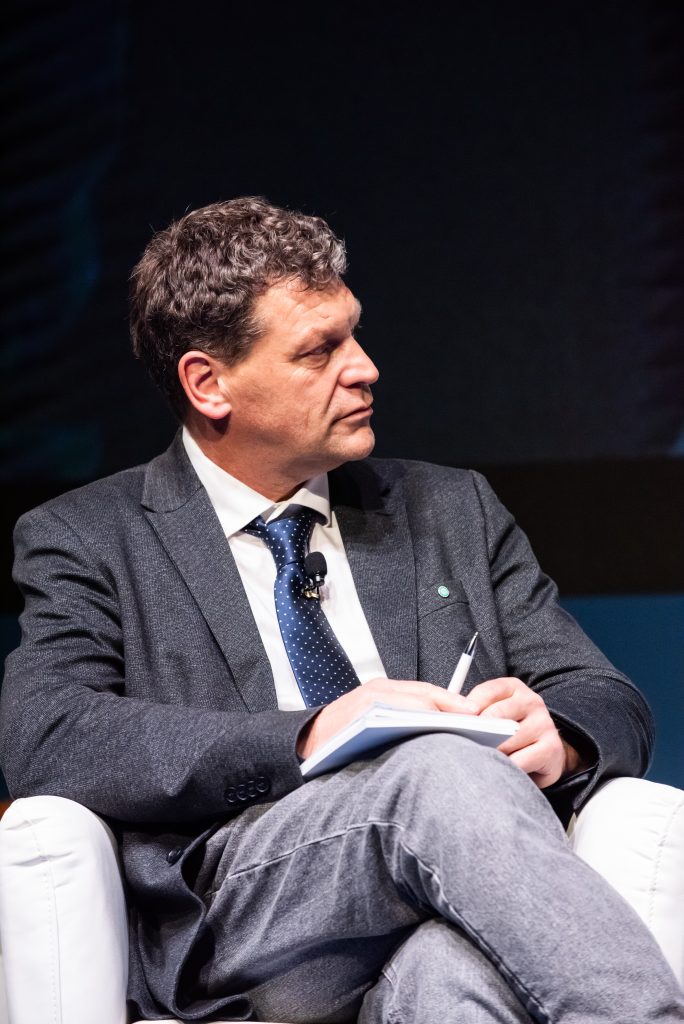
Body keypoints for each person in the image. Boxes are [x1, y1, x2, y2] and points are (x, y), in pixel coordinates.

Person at [1, 197, 682, 1024]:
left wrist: (562, 733)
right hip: (241, 916)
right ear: (209, 384)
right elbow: (48, 733)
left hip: (443, 898)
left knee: (453, 979)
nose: (364, 368)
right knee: (437, 769)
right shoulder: (90, 537)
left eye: (353, 334)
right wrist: (309, 735)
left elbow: (607, 697)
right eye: (319, 350)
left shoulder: (452, 509)